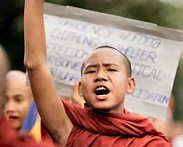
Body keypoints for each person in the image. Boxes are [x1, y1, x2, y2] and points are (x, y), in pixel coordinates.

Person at [24, 0, 171, 146]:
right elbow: (35, 65)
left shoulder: (149, 142)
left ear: (130, 84)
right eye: (91, 71)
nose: (100, 76)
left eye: (111, 69)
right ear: (80, 88)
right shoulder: (69, 128)